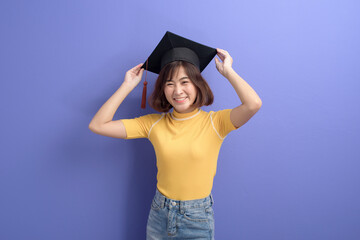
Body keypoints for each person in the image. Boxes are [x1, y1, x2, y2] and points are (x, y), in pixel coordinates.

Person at [89, 31, 262, 239]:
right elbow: (98, 125)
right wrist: (126, 86)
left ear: (198, 84)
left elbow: (253, 104)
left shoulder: (216, 123)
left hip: (197, 219)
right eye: (169, 83)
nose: (177, 91)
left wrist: (228, 72)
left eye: (184, 82)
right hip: (159, 214)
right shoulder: (152, 124)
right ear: (163, 89)